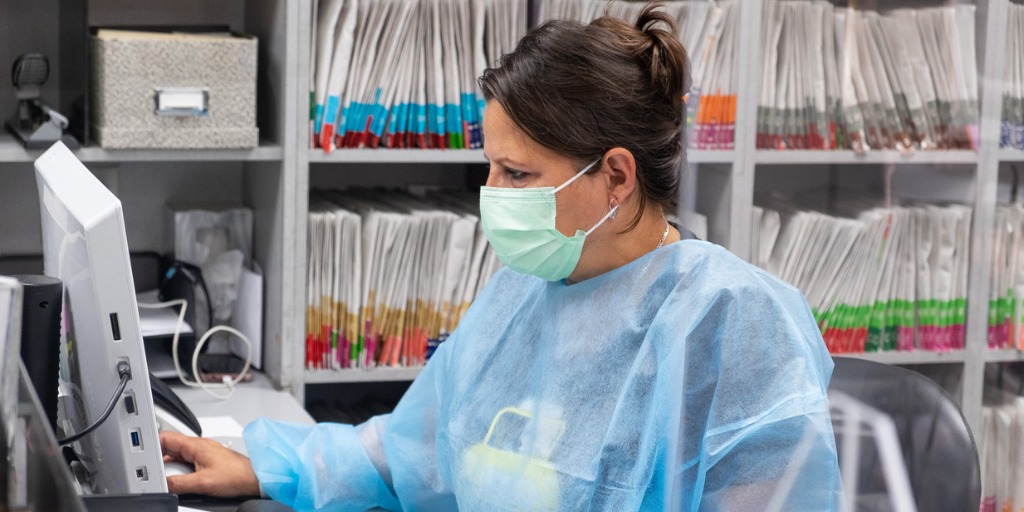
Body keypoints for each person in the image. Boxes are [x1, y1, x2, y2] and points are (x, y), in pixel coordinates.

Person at [160, 4, 841, 510]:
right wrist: (267, 467)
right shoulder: (524, 292)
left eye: (517, 175)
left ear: (617, 176)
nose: (492, 197)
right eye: (489, 169)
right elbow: (409, 454)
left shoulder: (734, 322)